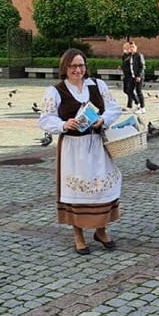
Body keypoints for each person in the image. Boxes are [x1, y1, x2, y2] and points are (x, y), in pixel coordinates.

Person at [39, 49, 123, 255]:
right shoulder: (56, 91)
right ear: (65, 68)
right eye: (73, 66)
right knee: (76, 192)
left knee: (101, 189)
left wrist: (103, 119)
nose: (78, 70)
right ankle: (78, 235)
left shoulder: (97, 86)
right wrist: (64, 124)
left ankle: (101, 231)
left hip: (96, 145)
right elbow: (45, 119)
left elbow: (114, 107)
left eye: (81, 65)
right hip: (73, 149)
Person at [123, 42, 146, 114]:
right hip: (132, 77)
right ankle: (137, 104)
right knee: (129, 90)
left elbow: (142, 66)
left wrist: (139, 76)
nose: (131, 49)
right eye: (130, 47)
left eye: (133, 47)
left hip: (138, 77)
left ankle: (143, 108)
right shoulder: (130, 56)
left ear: (136, 48)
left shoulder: (139, 55)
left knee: (139, 91)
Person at [121, 42, 139, 110]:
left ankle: (131, 104)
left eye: (125, 48)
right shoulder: (124, 56)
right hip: (126, 75)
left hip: (131, 76)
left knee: (129, 90)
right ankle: (135, 101)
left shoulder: (133, 56)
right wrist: (121, 67)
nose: (124, 49)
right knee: (125, 90)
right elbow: (124, 64)